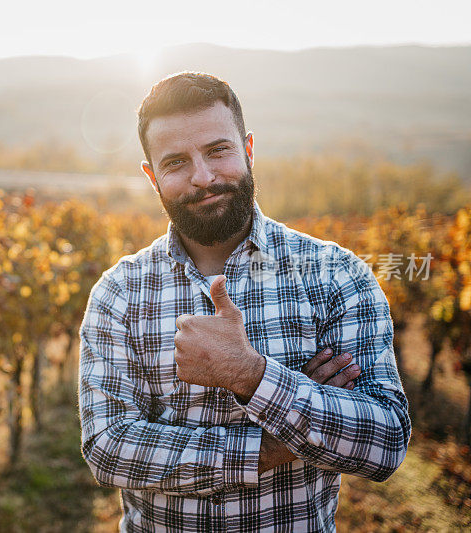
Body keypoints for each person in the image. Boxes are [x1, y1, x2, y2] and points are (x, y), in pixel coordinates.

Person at [78, 72, 410, 532]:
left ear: (248, 150)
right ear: (152, 177)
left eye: (218, 151)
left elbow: (385, 440)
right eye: (176, 163)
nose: (204, 176)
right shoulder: (119, 292)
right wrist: (278, 443)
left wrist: (250, 375)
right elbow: (109, 448)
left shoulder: (335, 273)